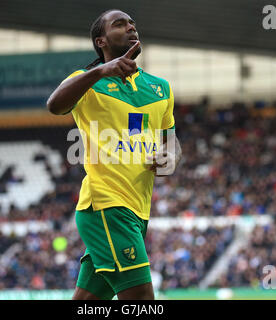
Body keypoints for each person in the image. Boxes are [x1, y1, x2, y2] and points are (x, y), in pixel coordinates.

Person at [47, 9, 182, 300]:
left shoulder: (161, 88)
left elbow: (171, 141)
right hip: (106, 206)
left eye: (132, 23)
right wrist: (100, 71)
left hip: (137, 210)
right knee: (142, 301)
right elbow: (55, 105)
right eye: (120, 24)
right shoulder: (87, 81)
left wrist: (170, 159)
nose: (131, 27)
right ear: (102, 41)